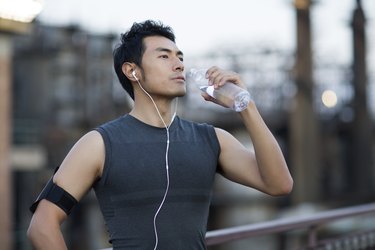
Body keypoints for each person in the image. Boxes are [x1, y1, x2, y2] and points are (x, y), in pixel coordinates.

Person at [27, 19, 293, 250]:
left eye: (180, 57)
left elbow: (279, 184)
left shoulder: (212, 139)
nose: (178, 65)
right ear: (133, 71)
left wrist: (245, 104)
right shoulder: (99, 144)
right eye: (164, 56)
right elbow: (42, 225)